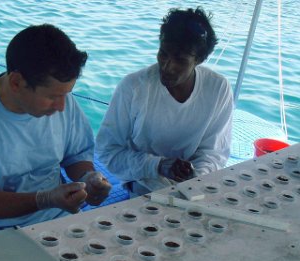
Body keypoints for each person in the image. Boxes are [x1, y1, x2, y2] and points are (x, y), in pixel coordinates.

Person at [0, 24, 111, 235]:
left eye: (66, 94)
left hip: (59, 215)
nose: (61, 107)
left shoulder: (63, 100)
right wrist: (46, 198)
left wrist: (88, 178)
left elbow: (76, 155)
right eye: (51, 97)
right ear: (16, 82)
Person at [96, 7, 233, 196]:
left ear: (200, 59)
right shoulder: (133, 87)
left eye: (180, 60)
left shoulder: (218, 88)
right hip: (144, 179)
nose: (168, 66)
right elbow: (108, 151)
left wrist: (196, 178)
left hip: (194, 183)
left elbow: (213, 153)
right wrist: (157, 166)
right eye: (163, 54)